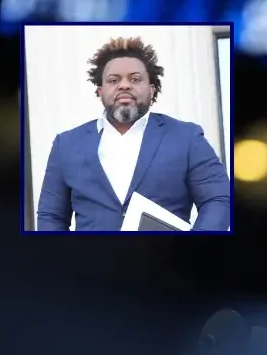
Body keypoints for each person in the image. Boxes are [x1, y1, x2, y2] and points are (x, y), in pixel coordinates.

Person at [36, 37, 230, 232]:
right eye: (114, 80)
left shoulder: (187, 137)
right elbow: (51, 216)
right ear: (100, 91)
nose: (124, 85)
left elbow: (219, 199)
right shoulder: (66, 144)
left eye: (135, 79)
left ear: (151, 90)